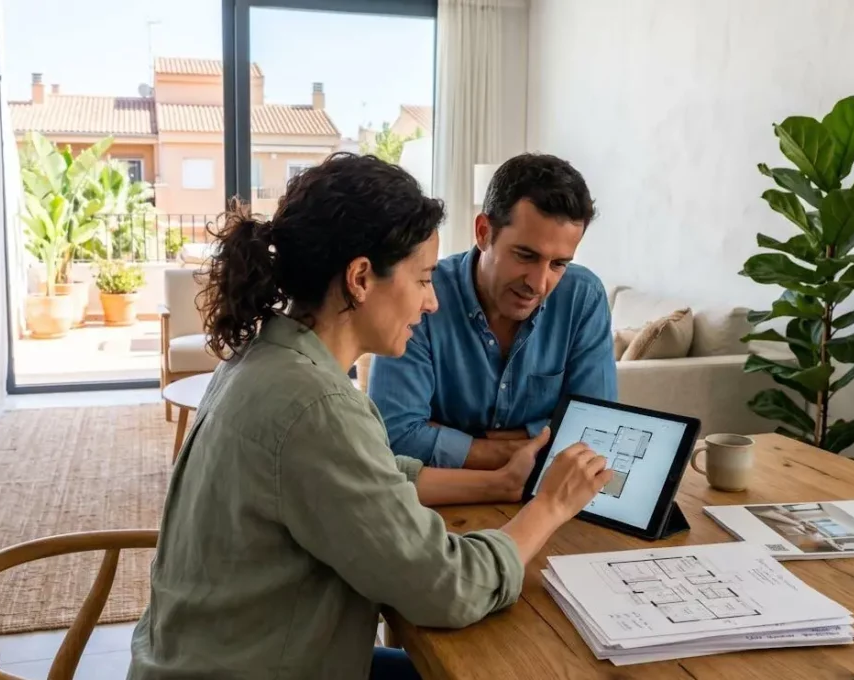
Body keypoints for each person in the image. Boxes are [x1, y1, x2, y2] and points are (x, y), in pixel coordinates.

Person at [128, 153, 613, 680]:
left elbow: (372, 475)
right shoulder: (317, 408)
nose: (431, 303)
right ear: (361, 278)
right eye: (424, 279)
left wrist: (496, 481)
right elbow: (448, 590)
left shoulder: (269, 358)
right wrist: (548, 505)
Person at [369, 153, 618, 471]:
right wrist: (524, 449)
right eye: (525, 255)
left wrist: (464, 441)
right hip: (441, 503)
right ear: (484, 232)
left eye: (558, 264)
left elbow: (598, 428)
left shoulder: (583, 297)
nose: (539, 284)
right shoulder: (422, 296)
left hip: (544, 498)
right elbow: (396, 437)